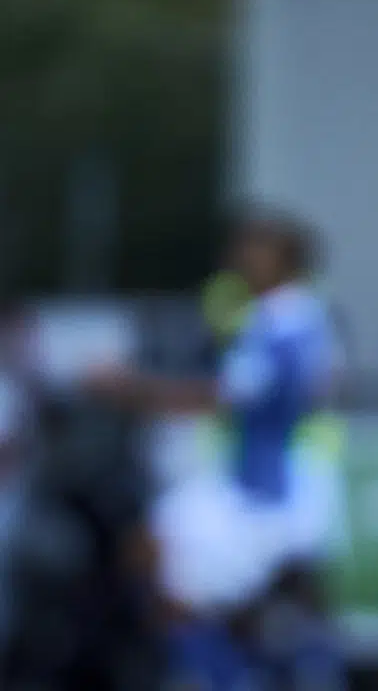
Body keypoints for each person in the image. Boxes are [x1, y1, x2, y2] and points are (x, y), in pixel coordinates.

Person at [90, 212, 347, 691]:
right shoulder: (281, 317)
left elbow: (227, 396)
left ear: (284, 260)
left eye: (254, 250)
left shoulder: (289, 324)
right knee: (168, 569)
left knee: (166, 573)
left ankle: (228, 675)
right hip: (255, 486)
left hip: (270, 496)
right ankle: (237, 670)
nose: (241, 261)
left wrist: (127, 387)